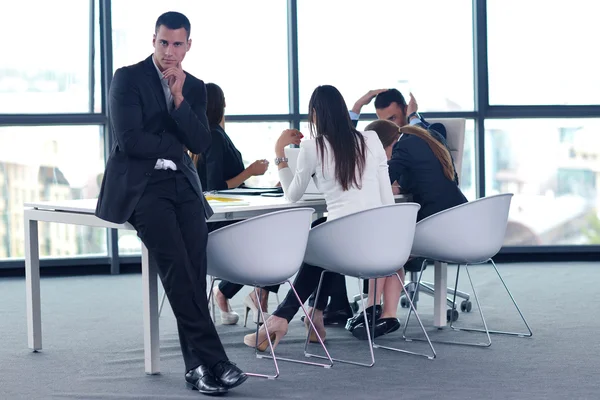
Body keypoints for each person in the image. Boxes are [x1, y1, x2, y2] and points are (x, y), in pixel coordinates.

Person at [95, 11, 246, 396]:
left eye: (177, 44)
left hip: (183, 184)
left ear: (188, 45)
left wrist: (178, 99)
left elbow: (201, 142)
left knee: (193, 272)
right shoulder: (127, 79)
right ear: (154, 40)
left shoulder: (194, 88)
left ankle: (197, 369)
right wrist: (173, 144)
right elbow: (130, 141)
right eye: (163, 42)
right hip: (143, 188)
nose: (169, 51)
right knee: (177, 268)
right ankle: (218, 361)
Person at [243, 84, 394, 351]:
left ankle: (283, 318)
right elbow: (386, 200)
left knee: (316, 242)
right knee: (321, 235)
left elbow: (292, 195)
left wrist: (280, 153)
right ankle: (314, 316)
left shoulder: (313, 146)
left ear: (315, 114)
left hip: (344, 248)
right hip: (382, 244)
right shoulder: (371, 140)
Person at [349, 120, 468, 340]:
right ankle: (386, 314)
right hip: (459, 219)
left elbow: (380, 182)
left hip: (440, 226)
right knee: (391, 245)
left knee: (385, 246)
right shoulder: (424, 139)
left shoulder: (403, 147)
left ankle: (373, 308)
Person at [193, 82, 278, 326]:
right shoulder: (215, 137)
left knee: (271, 232)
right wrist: (251, 171)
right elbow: (216, 185)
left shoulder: (204, 135)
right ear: (221, 105)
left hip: (217, 217)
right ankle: (252, 296)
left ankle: (234, 293)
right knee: (274, 235)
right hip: (221, 222)